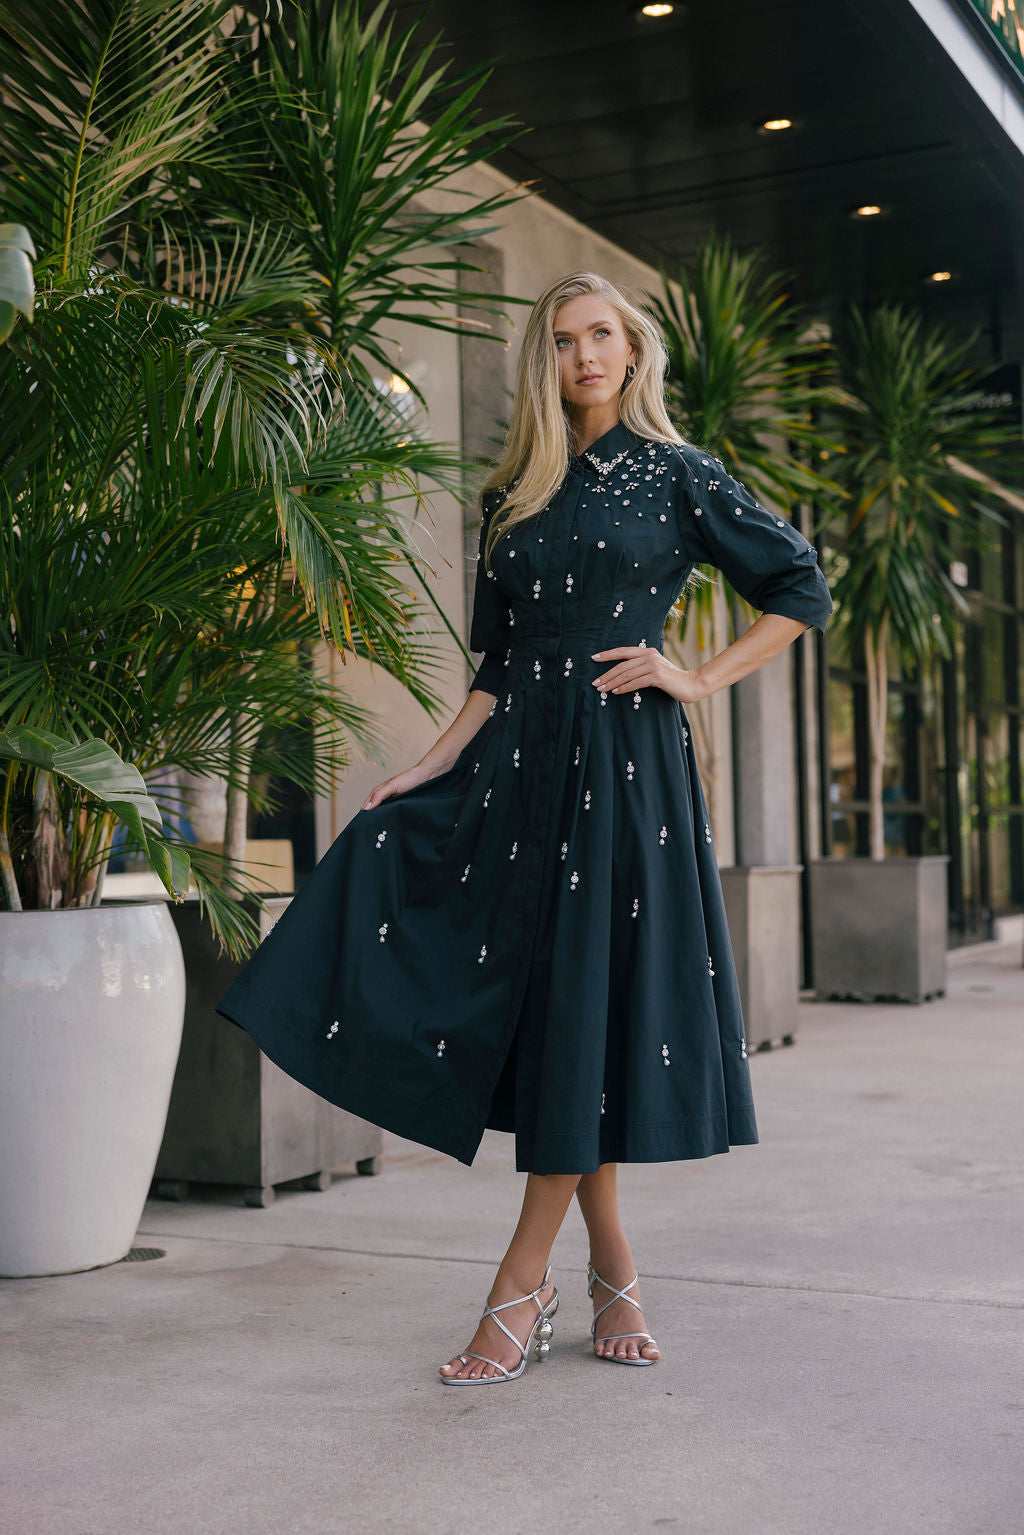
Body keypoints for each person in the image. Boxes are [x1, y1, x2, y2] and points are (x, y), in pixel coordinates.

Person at [216, 270, 833, 1385]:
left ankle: (519, 1280)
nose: (584, 355)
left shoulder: (679, 474)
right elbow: (494, 670)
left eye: (601, 335)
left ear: (634, 348)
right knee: (556, 1010)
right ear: (541, 363)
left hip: (622, 767)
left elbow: (798, 587)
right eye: (562, 340)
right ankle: (613, 1267)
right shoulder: (514, 492)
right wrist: (423, 763)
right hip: (514, 771)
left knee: (578, 1000)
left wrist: (694, 677)